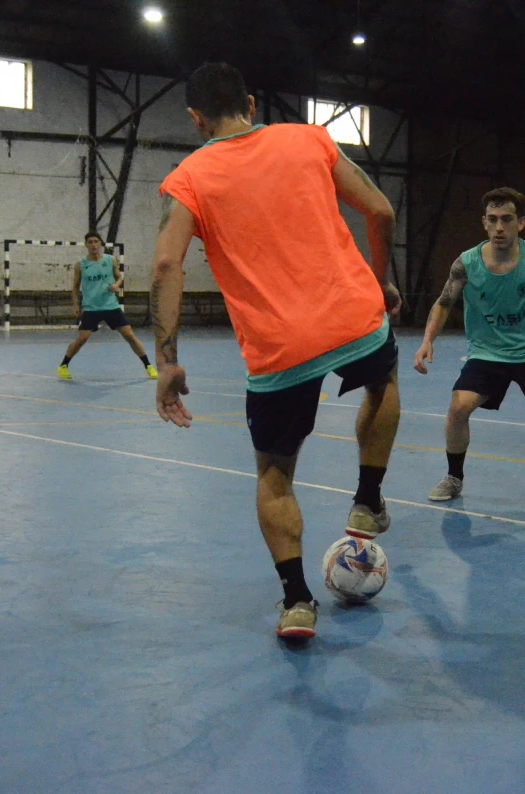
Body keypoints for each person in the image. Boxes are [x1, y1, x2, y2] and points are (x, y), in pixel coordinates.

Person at [148, 62, 402, 641]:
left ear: (195, 118)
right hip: (352, 316)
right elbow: (380, 210)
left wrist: (167, 360)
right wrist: (380, 283)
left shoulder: (186, 178)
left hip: (277, 347)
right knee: (383, 382)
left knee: (274, 474)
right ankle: (366, 498)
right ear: (252, 104)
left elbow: (166, 263)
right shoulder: (309, 138)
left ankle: (296, 602)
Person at [413, 187, 525, 503]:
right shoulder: (466, 263)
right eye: (493, 220)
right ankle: (454, 477)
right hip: (487, 352)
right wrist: (427, 341)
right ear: (484, 223)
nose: (500, 227)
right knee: (458, 406)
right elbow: (444, 302)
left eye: (507, 220)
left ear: (521, 223)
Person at [57, 232, 158, 380]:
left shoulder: (110, 260)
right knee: (82, 338)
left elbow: (119, 277)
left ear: (100, 244)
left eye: (96, 241)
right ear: (86, 245)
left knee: (129, 335)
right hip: (91, 307)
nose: (93, 245)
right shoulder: (80, 265)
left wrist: (116, 285)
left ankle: (148, 366)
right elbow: (75, 286)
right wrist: (75, 304)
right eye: (90, 242)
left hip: (111, 306)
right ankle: (63, 366)